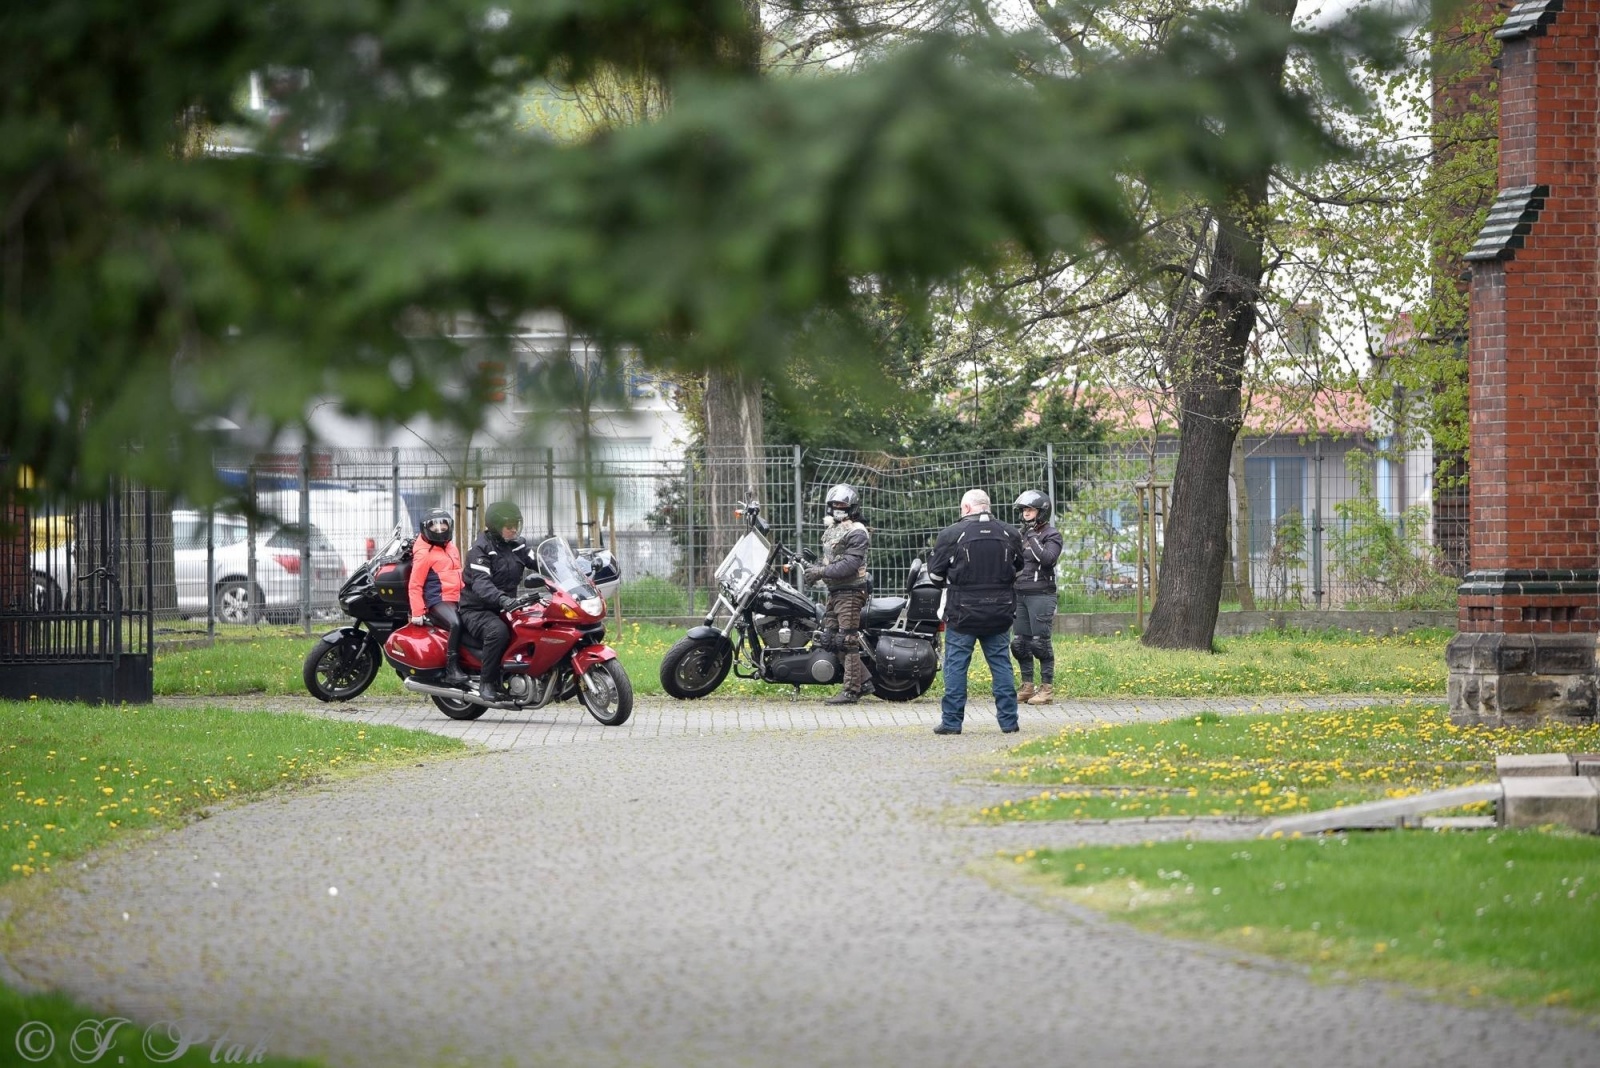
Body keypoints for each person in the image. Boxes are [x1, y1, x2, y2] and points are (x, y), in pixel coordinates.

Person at [927, 489, 1024, 735]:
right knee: (1001, 665)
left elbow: (935, 575)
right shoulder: (1010, 533)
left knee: (956, 667)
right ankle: (1009, 722)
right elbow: (1019, 570)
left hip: (962, 613)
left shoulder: (951, 534)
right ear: (987, 507)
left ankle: (951, 723)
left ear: (967, 508)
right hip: (999, 613)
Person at [459, 500, 539, 703]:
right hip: (477, 609)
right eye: (509, 526)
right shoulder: (480, 549)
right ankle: (487, 682)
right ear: (495, 526)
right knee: (498, 631)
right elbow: (481, 584)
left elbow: (539, 562)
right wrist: (502, 599)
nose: (513, 530)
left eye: (516, 525)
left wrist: (566, 568)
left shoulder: (518, 545)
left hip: (506, 606)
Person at [804, 483, 873, 705]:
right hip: (836, 592)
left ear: (852, 506)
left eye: (842, 504)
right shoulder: (832, 529)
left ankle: (851, 692)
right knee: (829, 639)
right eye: (833, 504)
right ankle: (864, 682)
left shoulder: (857, 531)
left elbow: (850, 566)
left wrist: (820, 572)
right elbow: (832, 561)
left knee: (847, 640)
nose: (837, 507)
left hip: (851, 592)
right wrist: (814, 568)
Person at [1011, 490, 1063, 706]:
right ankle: (1027, 686)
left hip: (1041, 593)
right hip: (1019, 594)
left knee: (1039, 644)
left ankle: (1047, 690)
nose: (1026, 513)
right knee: (1020, 644)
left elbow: (1048, 559)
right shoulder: (1021, 535)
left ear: (1041, 512)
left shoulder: (1052, 535)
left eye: (1030, 509)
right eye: (1024, 510)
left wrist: (1032, 537)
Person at [407, 508, 468, 688]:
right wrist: (418, 612)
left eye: (444, 524)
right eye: (435, 525)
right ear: (426, 528)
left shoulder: (451, 547)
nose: (440, 529)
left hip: (457, 596)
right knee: (456, 624)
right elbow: (415, 584)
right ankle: (452, 669)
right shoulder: (424, 553)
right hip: (438, 600)